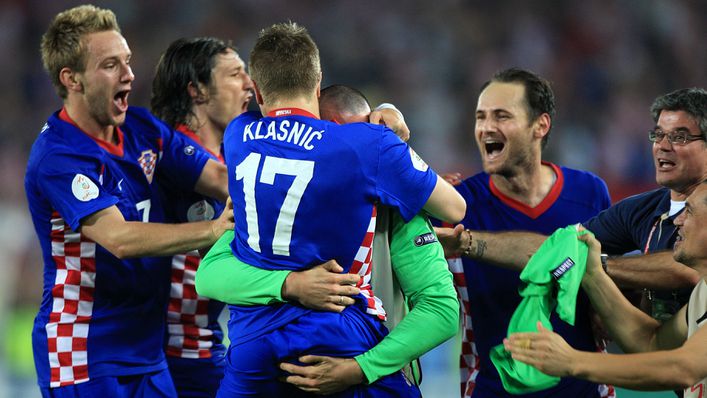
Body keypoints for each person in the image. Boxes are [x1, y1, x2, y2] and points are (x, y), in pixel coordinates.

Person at [216, 22, 465, 397]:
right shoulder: (367, 147)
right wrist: (393, 133)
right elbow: (455, 206)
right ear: (316, 88)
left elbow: (211, 276)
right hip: (345, 337)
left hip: (257, 342)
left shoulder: (238, 138)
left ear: (257, 93)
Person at [26, 6, 232, 397]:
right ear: (72, 79)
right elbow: (119, 239)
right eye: (110, 65)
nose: (128, 75)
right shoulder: (59, 156)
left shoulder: (142, 129)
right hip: (84, 352)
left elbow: (221, 178)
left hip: (147, 351)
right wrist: (211, 230)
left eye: (127, 61)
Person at [438, 88, 706, 320]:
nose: (663, 146)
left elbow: (689, 268)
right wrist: (467, 242)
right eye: (658, 135)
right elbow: (554, 249)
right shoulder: (643, 210)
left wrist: (593, 266)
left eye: (680, 137)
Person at [437, 68, 613, 397]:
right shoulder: (458, 205)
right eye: (480, 117)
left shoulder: (590, 193)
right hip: (493, 391)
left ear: (540, 125)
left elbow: (610, 293)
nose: (486, 127)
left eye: (501, 116)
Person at [504, 180, 707, 396]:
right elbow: (651, 342)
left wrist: (571, 361)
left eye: (690, 212)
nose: (678, 220)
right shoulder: (702, 293)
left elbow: (682, 369)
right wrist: (593, 273)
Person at [150, 37, 253, 397]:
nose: (249, 85)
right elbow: (231, 183)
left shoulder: (229, 158)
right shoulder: (167, 146)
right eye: (235, 74)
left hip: (204, 347)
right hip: (163, 355)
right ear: (197, 90)